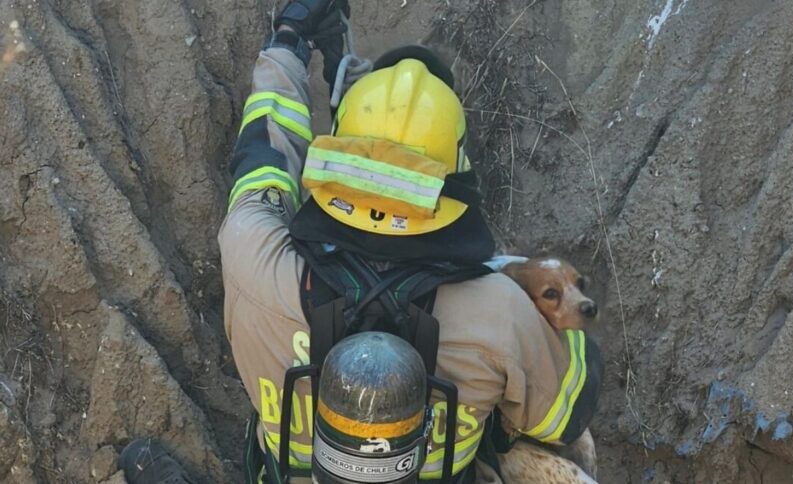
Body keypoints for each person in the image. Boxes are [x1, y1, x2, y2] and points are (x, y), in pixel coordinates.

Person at [120, 0, 602, 482]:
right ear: (452, 175)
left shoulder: (252, 255)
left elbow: (264, 150)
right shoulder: (502, 314)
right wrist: (537, 311)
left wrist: (288, 40)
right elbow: (564, 417)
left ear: (338, 153)